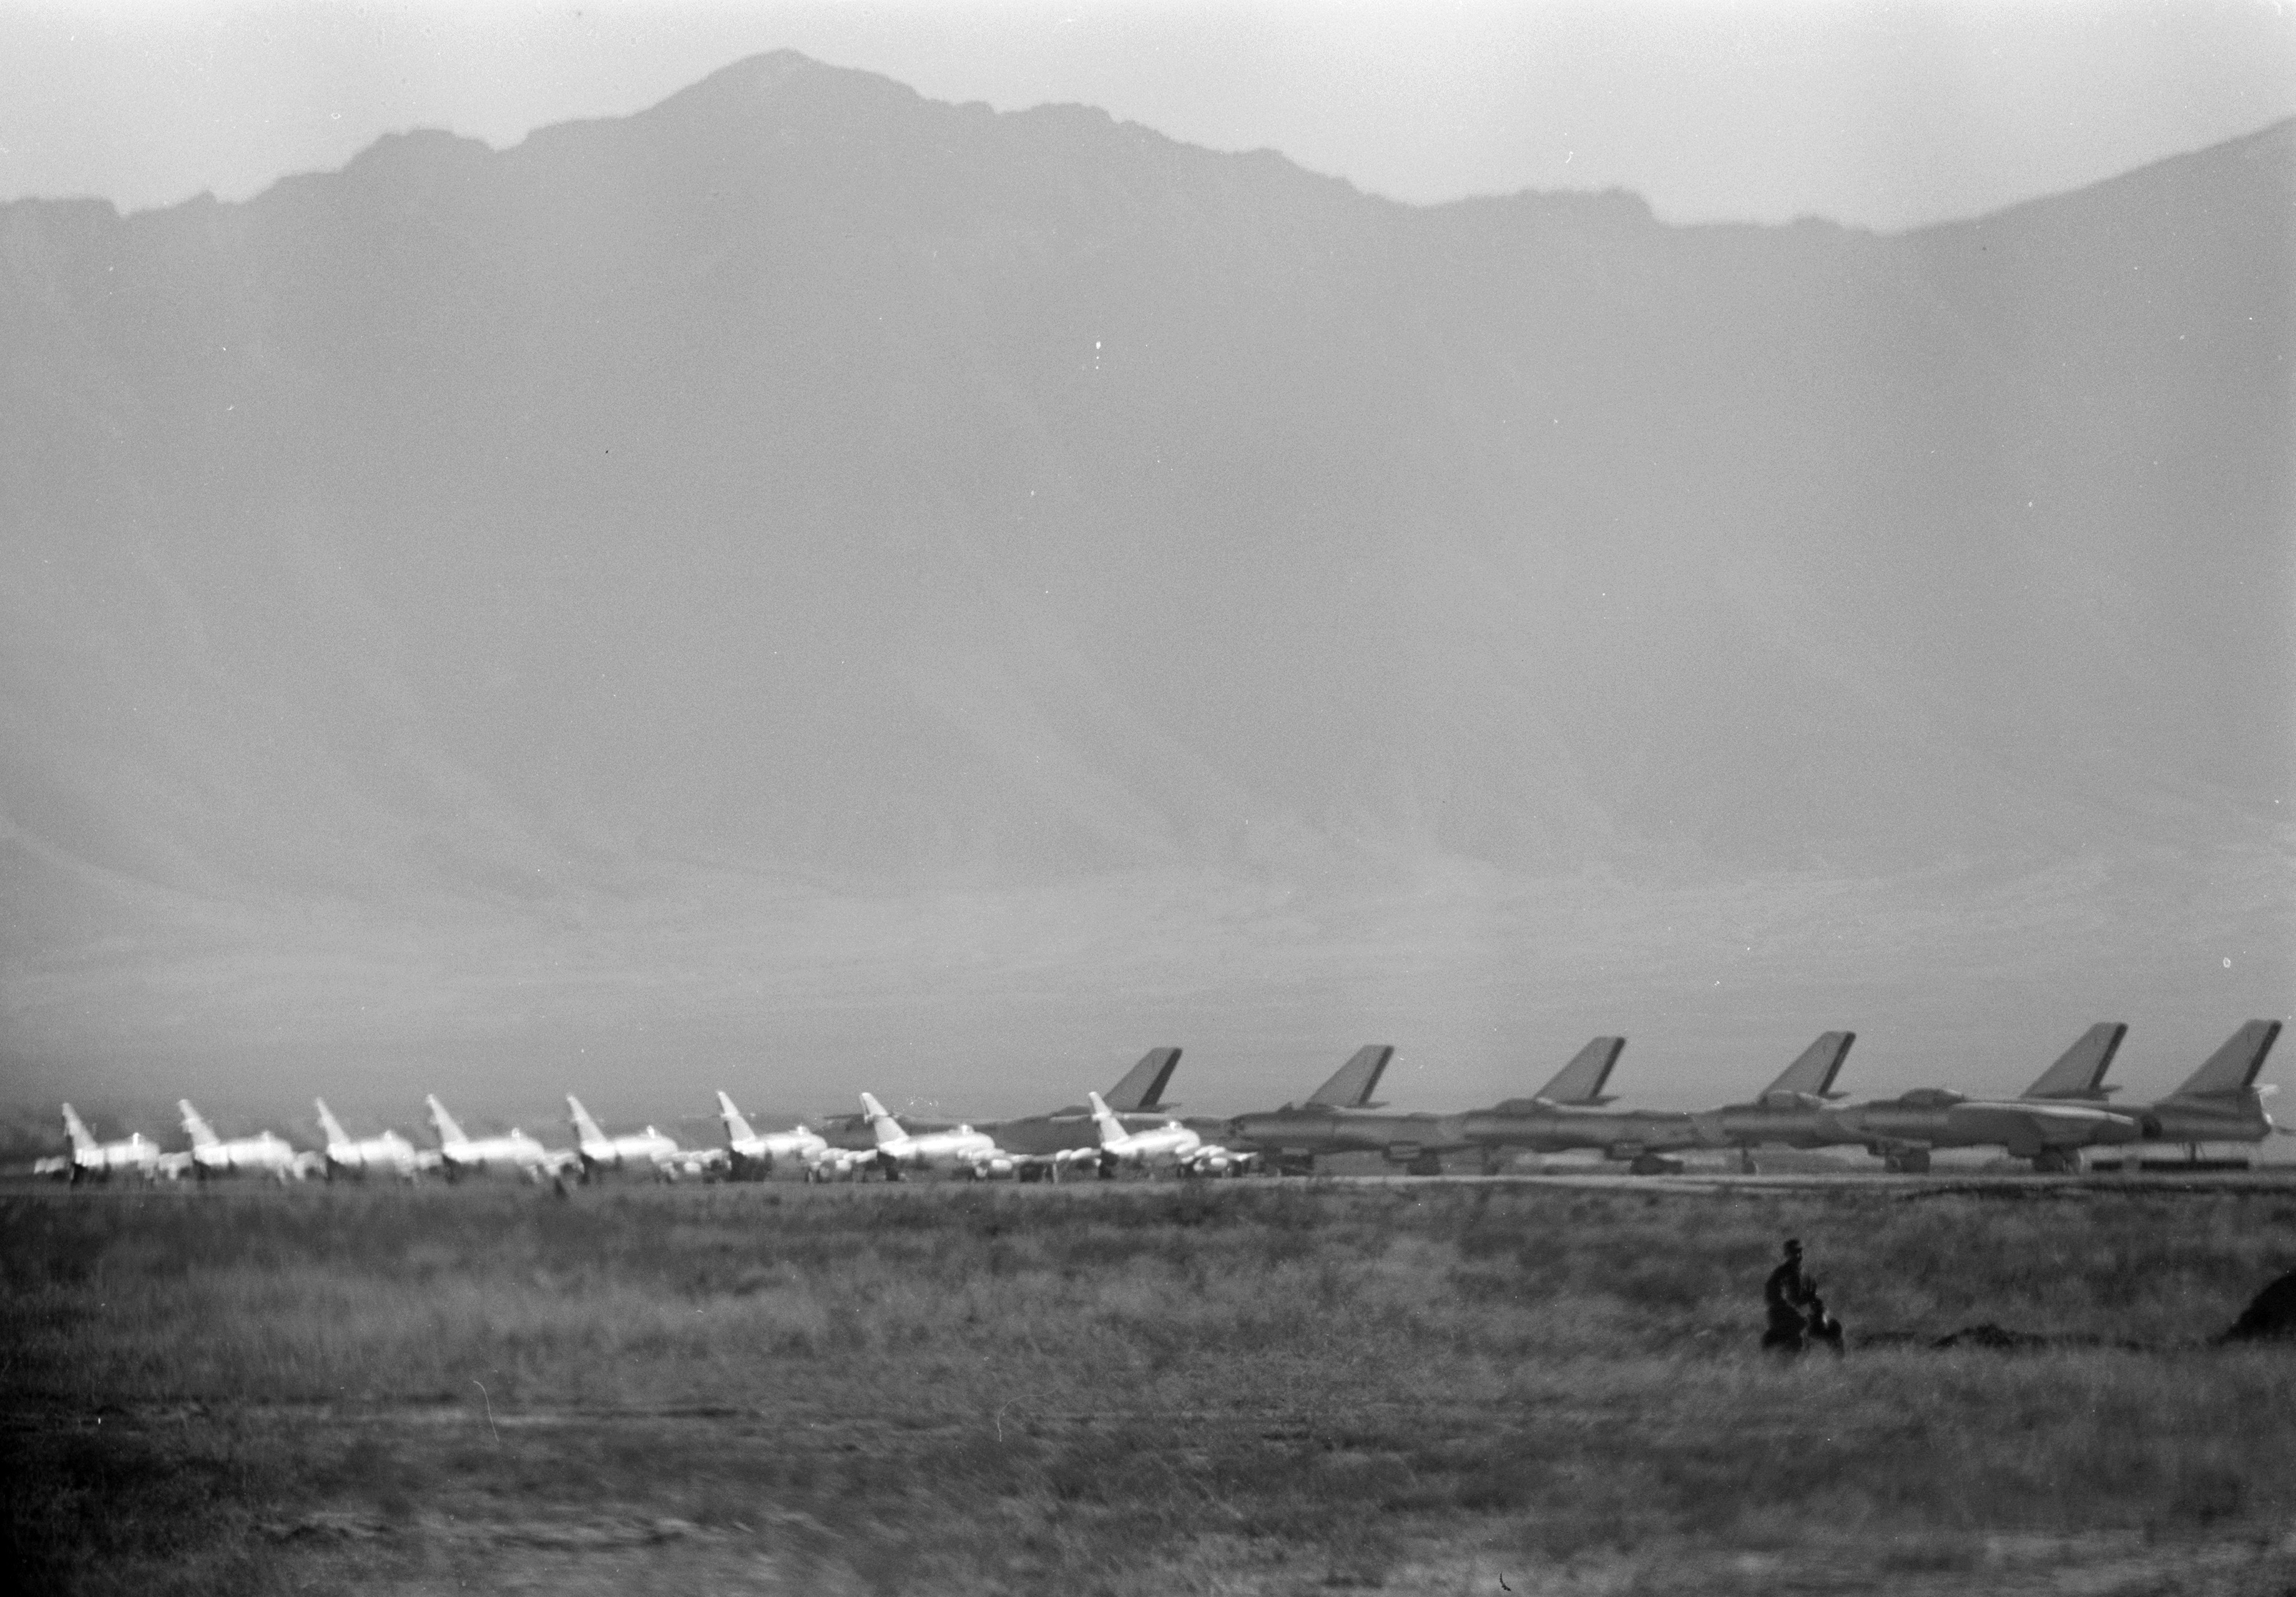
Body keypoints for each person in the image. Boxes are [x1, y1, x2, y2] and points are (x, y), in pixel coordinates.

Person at [1762, 1237, 1813, 1355]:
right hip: (1781, 1316)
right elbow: (1774, 1297)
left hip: (1794, 1315)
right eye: (1794, 1252)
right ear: (1786, 1254)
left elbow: (1799, 1299)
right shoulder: (1782, 1273)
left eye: (1800, 1251)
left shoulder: (1800, 1273)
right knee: (1796, 1343)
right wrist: (1794, 1313)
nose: (1798, 1255)